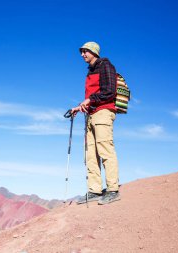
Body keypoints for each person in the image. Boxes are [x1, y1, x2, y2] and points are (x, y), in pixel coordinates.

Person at [71, 41, 120, 205]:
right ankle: (95, 190)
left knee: (105, 149)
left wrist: (90, 99)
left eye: (85, 51)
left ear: (94, 52)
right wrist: (79, 107)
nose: (82, 54)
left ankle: (113, 190)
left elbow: (110, 91)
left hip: (104, 112)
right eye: (81, 52)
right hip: (91, 114)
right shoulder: (90, 71)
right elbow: (92, 96)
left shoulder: (106, 66)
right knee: (90, 154)